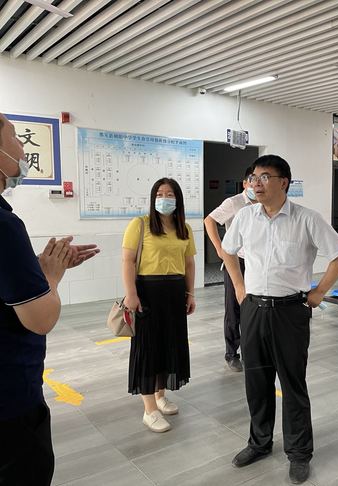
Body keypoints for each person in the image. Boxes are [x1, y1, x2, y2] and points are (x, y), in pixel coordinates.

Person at [221, 155, 338, 484]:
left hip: (290, 311)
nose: (257, 183)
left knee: (292, 384)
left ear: (284, 183)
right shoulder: (245, 217)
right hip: (253, 309)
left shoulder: (307, 219)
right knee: (256, 382)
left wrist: (319, 292)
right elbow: (227, 250)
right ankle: (259, 443)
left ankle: (299, 453)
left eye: (265, 177)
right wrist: (239, 287)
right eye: (253, 177)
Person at [0, 113, 99, 485]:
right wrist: (51, 278)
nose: (22, 148)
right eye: (14, 137)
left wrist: (37, 269)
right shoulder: (5, 227)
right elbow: (40, 318)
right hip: (10, 402)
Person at [121, 177, 196, 433]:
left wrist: (190, 293)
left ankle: (160, 395)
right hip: (147, 292)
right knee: (148, 347)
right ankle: (149, 409)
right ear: (153, 198)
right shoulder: (140, 224)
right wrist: (131, 294)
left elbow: (189, 264)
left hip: (175, 292)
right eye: (160, 194)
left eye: (170, 194)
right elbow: (128, 261)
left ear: (178, 199)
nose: (165, 198)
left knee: (169, 344)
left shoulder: (184, 228)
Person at [204, 166, 257, 372]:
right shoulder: (234, 202)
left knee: (253, 308)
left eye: (260, 179)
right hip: (236, 262)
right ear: (244, 183)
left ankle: (250, 351)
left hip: (256, 263)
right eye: (252, 180)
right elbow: (209, 220)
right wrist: (220, 249)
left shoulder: (263, 203)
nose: (256, 184)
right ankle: (232, 354)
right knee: (234, 309)